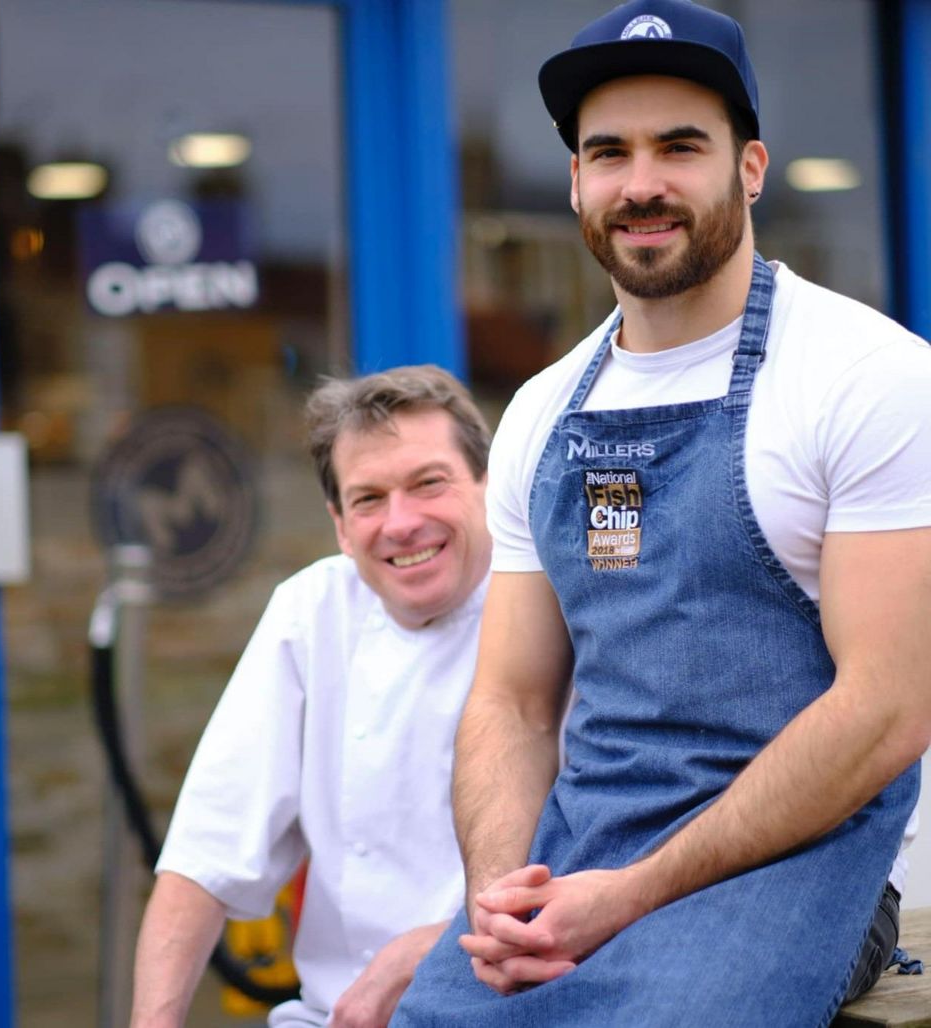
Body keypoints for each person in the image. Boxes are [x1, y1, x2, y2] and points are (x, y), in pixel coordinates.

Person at [391, 2, 931, 1025]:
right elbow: (510, 702)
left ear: (751, 166)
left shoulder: (868, 376)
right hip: (575, 871)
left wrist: (631, 894)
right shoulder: (544, 410)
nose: (640, 184)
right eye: (609, 153)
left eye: (679, 146)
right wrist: (502, 896)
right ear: (576, 182)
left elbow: (887, 710)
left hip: (790, 877)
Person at [130, 365, 494, 1028]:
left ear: (487, 486)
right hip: (337, 1014)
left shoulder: (548, 608)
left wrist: (427, 950)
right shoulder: (312, 610)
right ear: (339, 525)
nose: (402, 522)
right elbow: (204, 856)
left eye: (428, 483)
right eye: (368, 499)